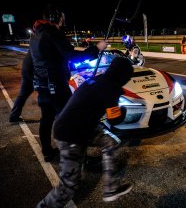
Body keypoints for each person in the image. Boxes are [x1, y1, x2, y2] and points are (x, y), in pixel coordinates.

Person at [37, 56, 134, 207]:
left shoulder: (98, 79)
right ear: (124, 75)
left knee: (110, 142)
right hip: (70, 134)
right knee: (69, 186)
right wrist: (123, 110)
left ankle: (111, 188)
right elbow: (114, 120)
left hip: (79, 127)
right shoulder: (111, 88)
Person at [29, 4, 107, 162]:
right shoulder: (53, 33)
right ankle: (80, 157)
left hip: (42, 85)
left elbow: (48, 58)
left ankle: (47, 152)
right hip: (56, 87)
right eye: (62, 18)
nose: (63, 21)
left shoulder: (36, 34)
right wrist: (96, 49)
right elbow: (71, 56)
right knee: (72, 120)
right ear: (56, 18)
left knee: (47, 119)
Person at [9, 50, 34, 123]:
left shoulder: (34, 44)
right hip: (32, 73)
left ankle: (13, 116)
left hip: (26, 72)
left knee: (22, 96)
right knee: (49, 94)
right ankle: (59, 114)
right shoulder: (42, 46)